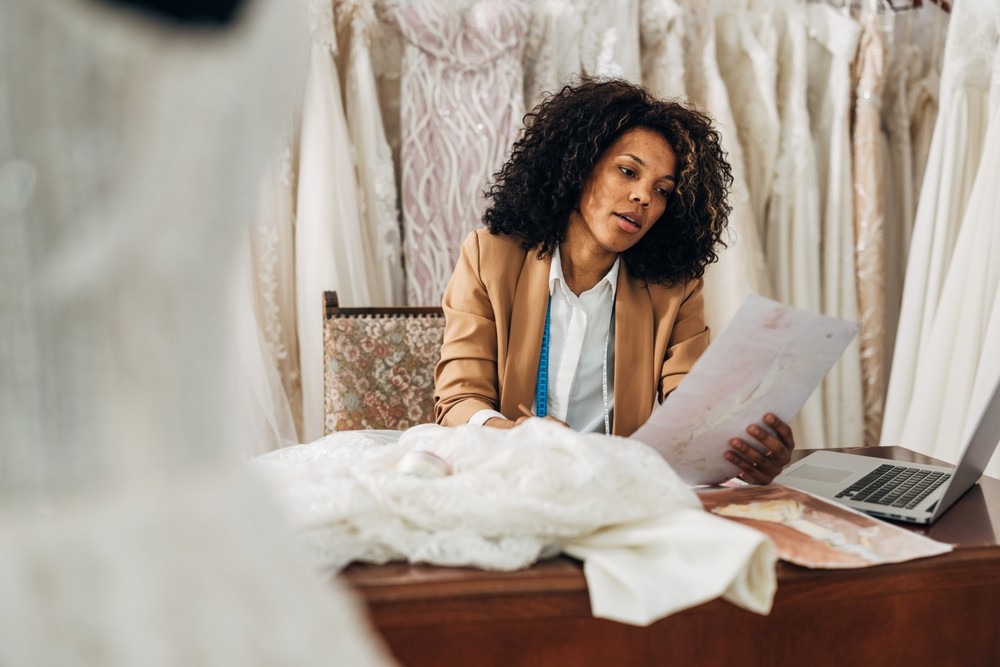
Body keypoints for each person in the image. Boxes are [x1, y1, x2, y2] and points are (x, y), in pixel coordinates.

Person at [433, 78, 794, 485]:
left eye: (662, 190)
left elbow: (691, 407)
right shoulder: (489, 257)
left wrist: (744, 446)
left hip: (610, 487)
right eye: (628, 171)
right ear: (579, 166)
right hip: (506, 477)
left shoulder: (674, 287)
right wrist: (517, 436)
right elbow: (459, 401)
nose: (644, 197)